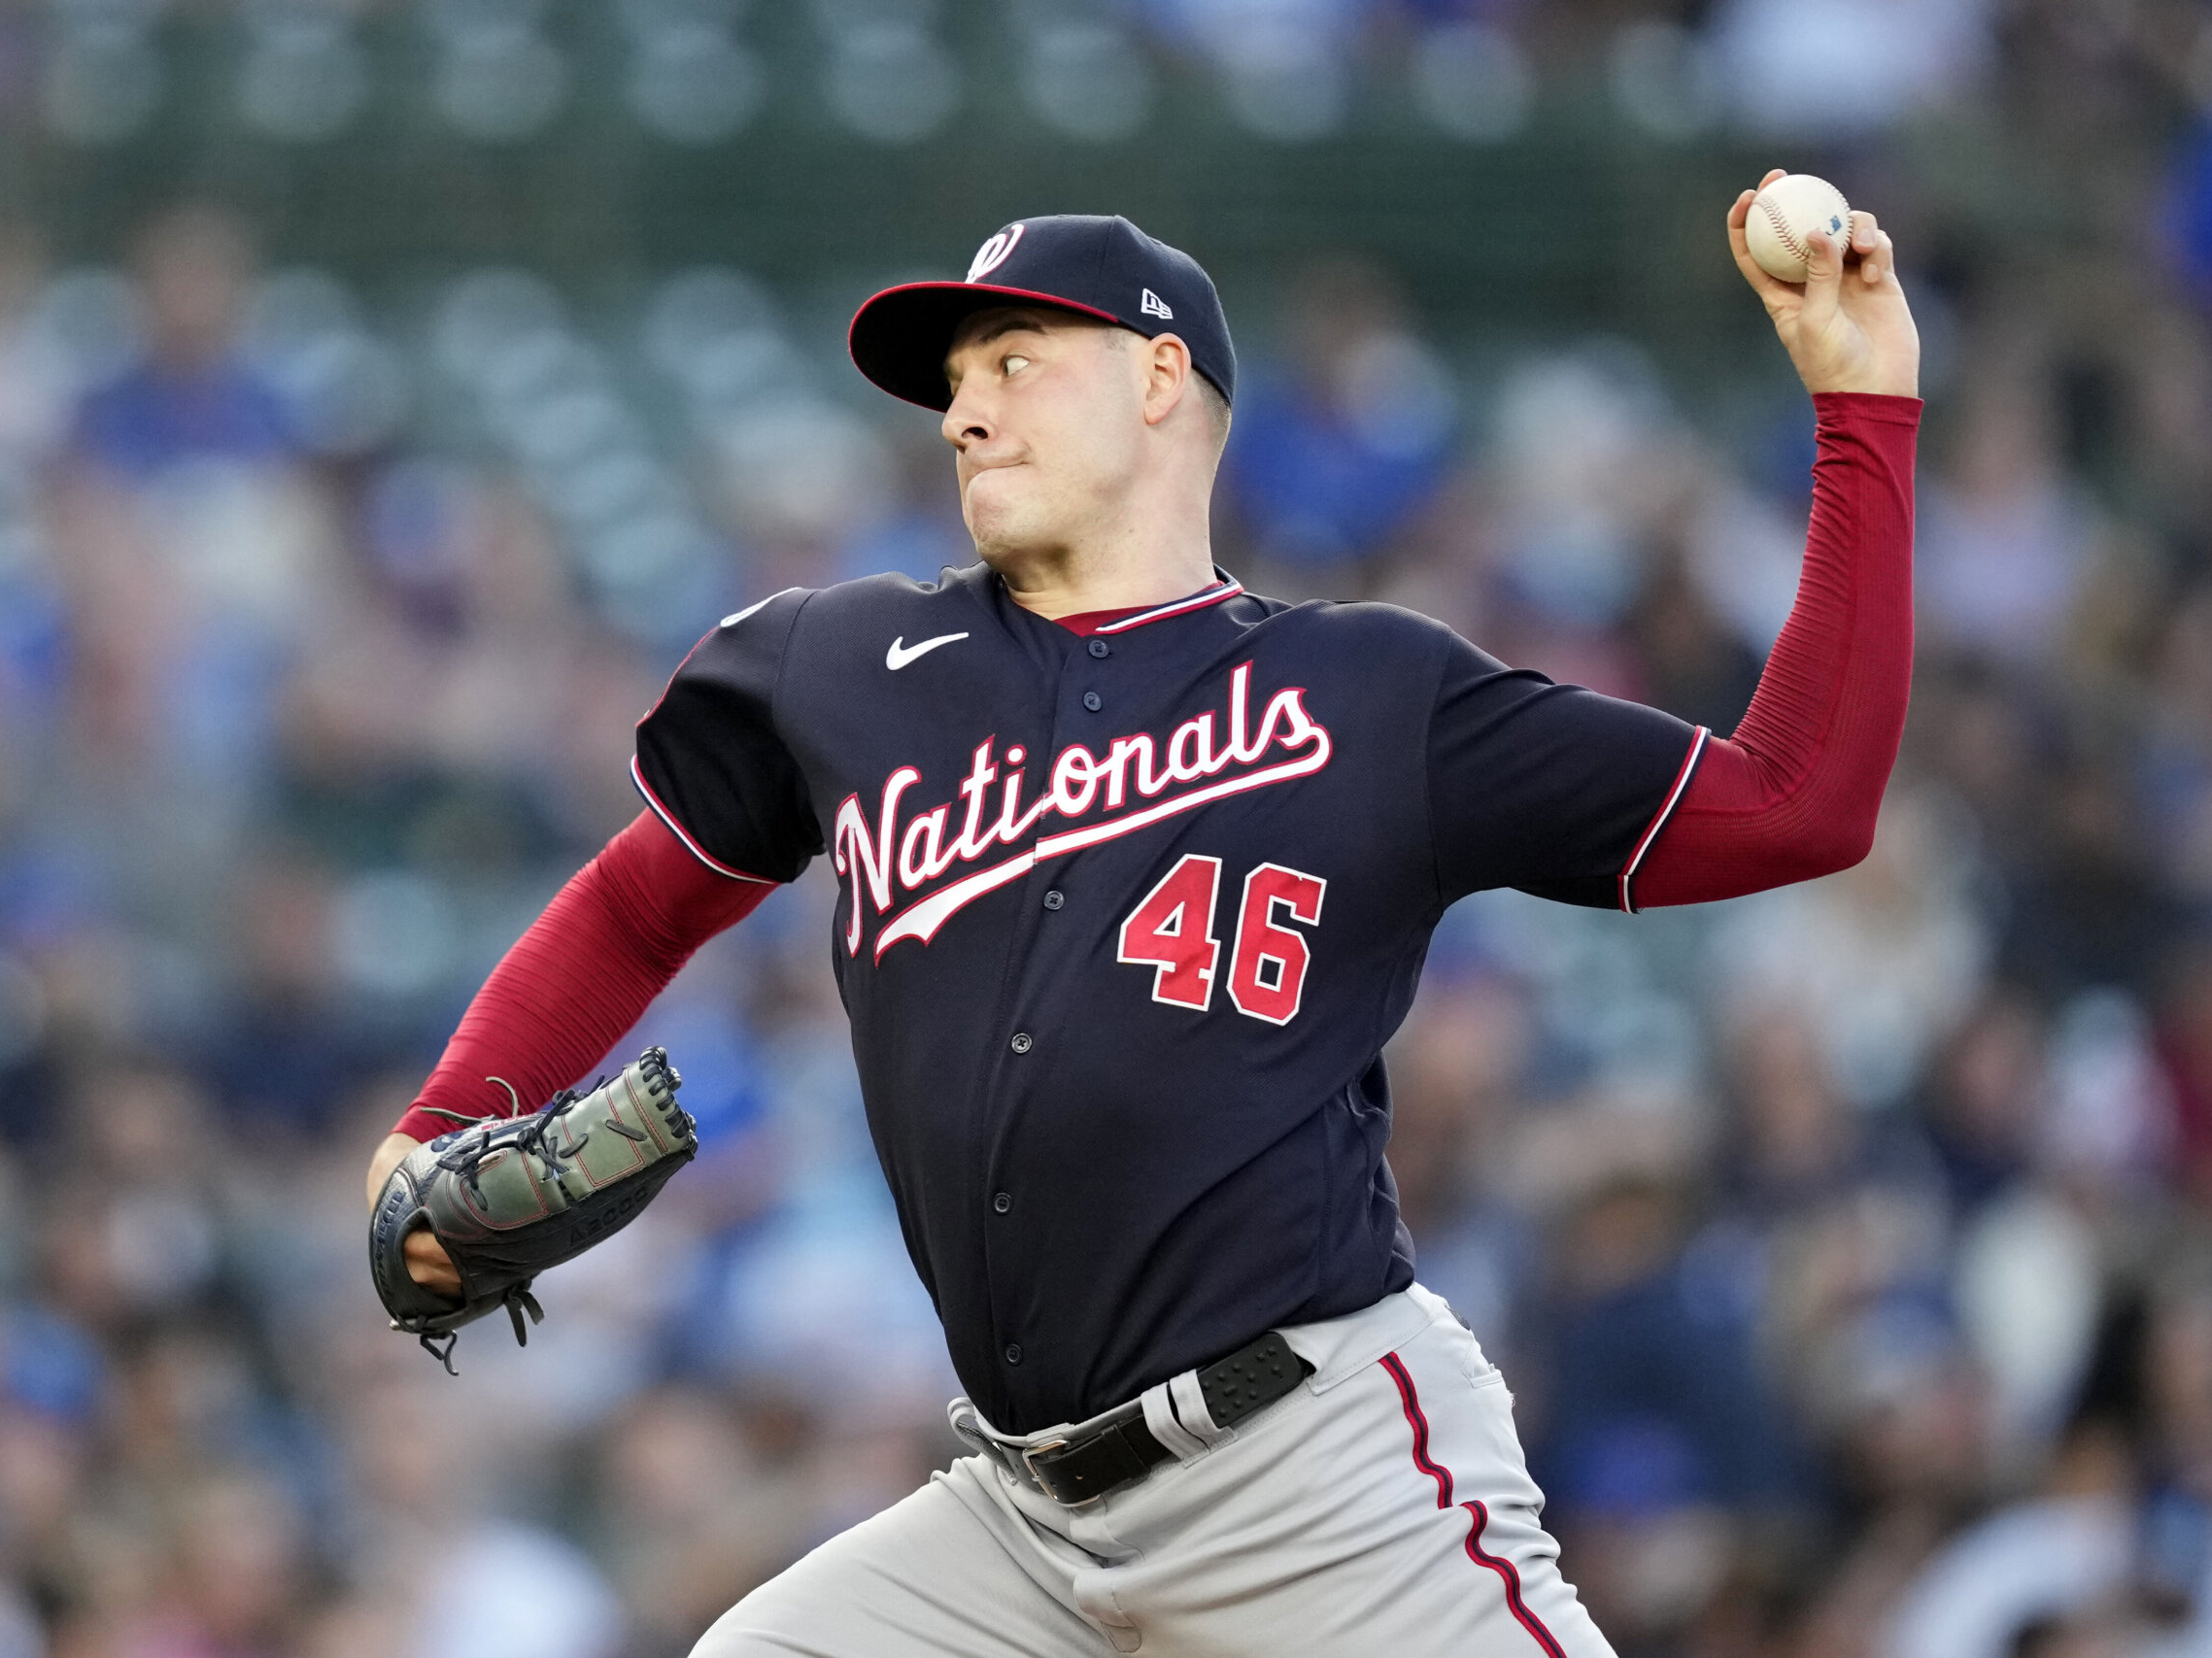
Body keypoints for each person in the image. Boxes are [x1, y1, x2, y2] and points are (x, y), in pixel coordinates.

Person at [362, 174, 1921, 1653]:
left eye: (1018, 360)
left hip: (1312, 1472)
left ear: (1160, 380)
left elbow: (1797, 804)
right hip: (1018, 1517)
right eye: (957, 378)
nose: (966, 408)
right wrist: (436, 1127)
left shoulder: (1370, 693)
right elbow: (640, 905)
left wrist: (1864, 413)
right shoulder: (838, 669)